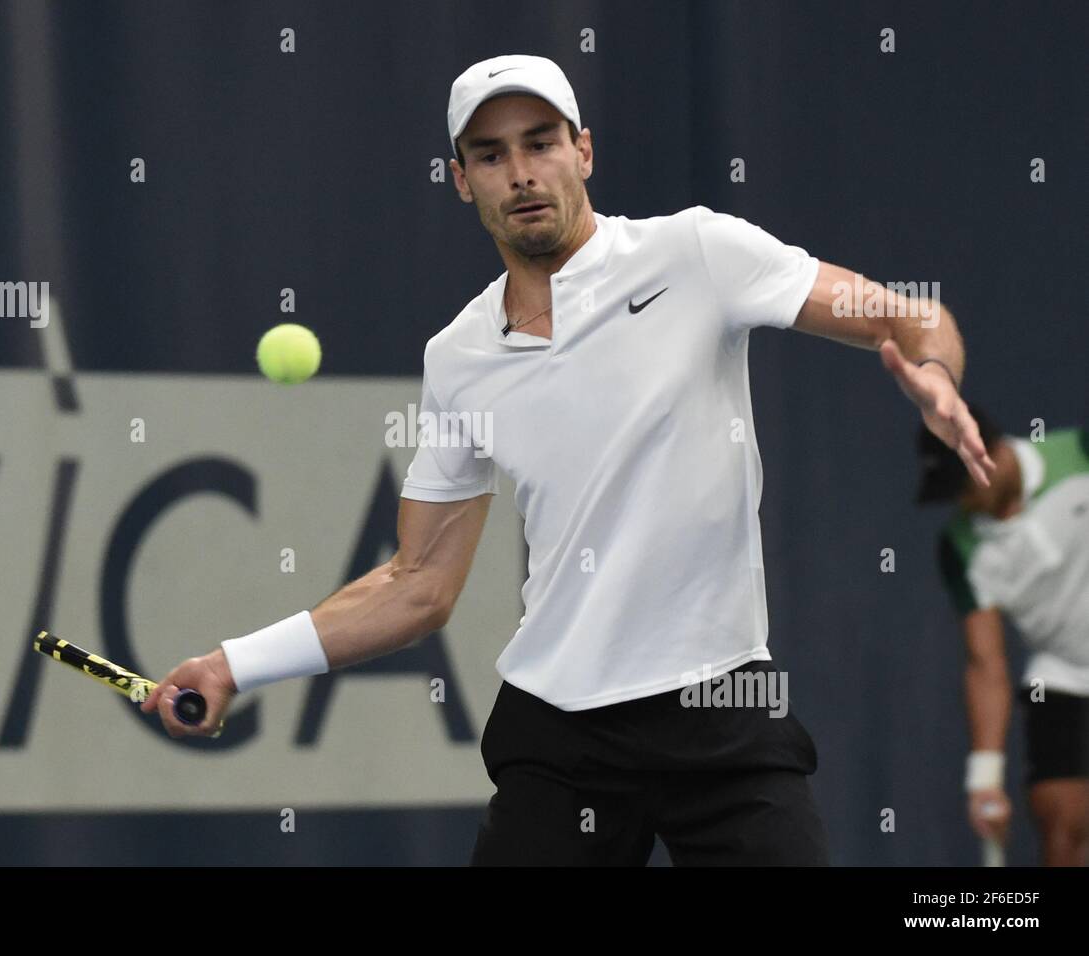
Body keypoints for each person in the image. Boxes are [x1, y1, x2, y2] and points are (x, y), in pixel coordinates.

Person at [142, 54, 994, 865]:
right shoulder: (458, 357)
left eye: (541, 143)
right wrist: (232, 664)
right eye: (490, 153)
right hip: (560, 732)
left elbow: (909, 316)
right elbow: (418, 584)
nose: (520, 173)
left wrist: (931, 372)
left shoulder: (696, 253)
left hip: (721, 708)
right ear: (461, 179)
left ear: (582, 151)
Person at [918, 409, 1089, 866]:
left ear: (990, 454)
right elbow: (985, 662)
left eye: (967, 486)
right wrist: (985, 779)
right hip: (1064, 675)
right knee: (1064, 827)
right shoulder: (961, 546)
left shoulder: (1079, 454)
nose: (964, 504)